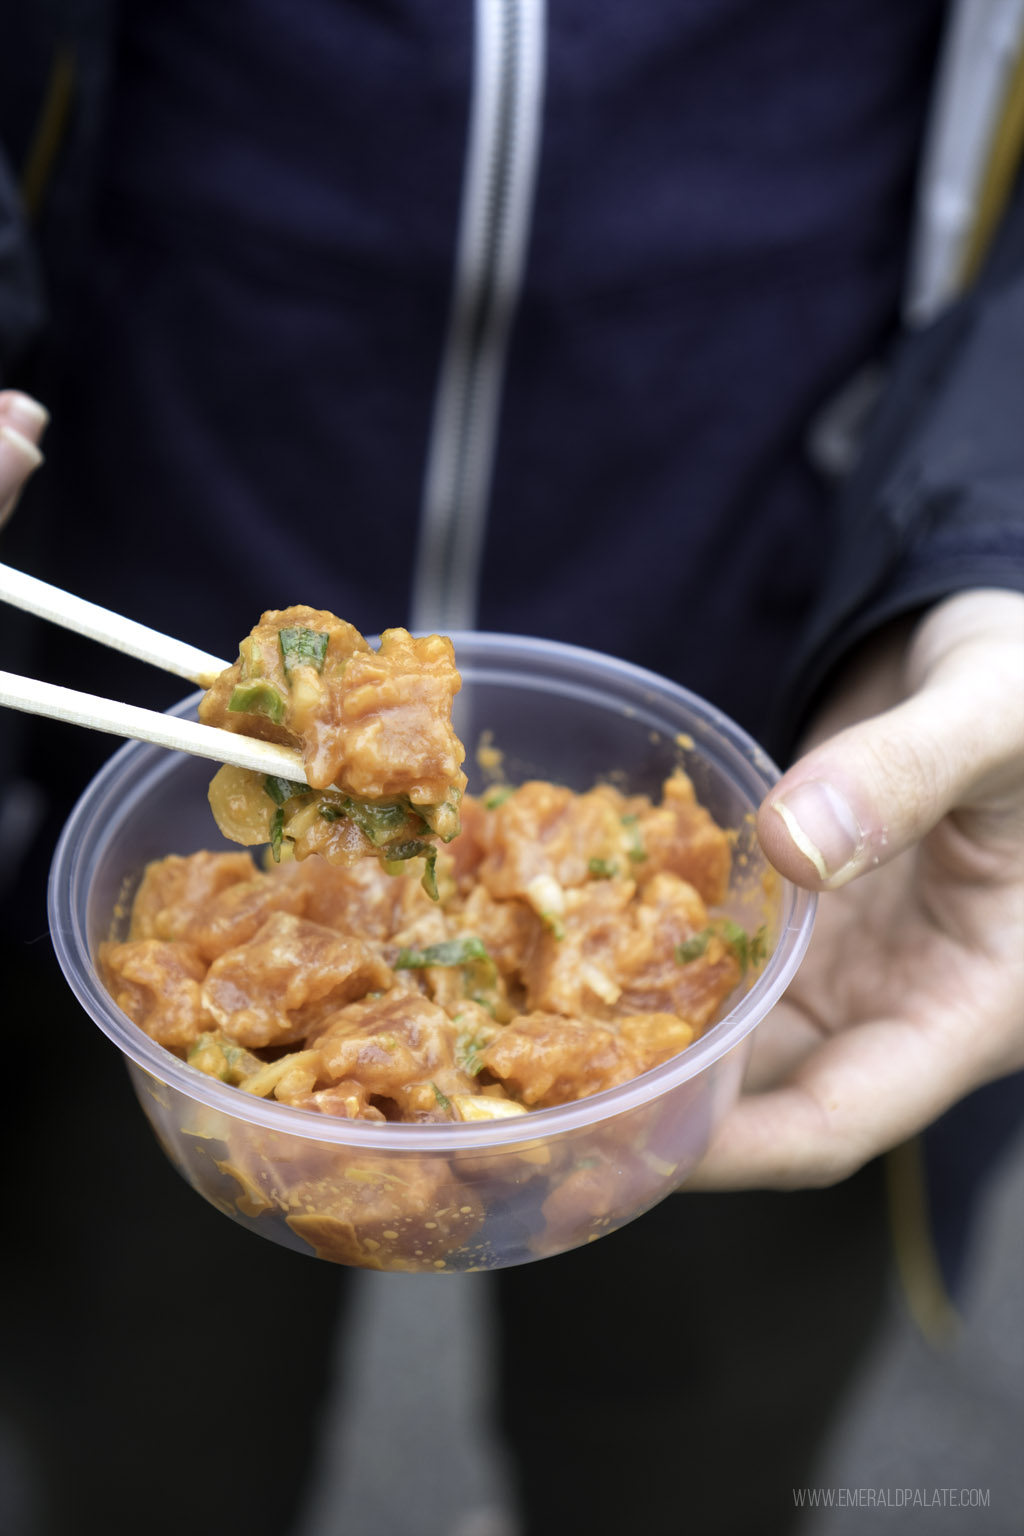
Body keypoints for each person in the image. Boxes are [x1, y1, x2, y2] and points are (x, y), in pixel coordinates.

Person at [0, 3, 1021, 1534]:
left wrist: (993, 552)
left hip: (797, 782)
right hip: (116, 681)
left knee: (690, 1472)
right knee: (141, 1444)